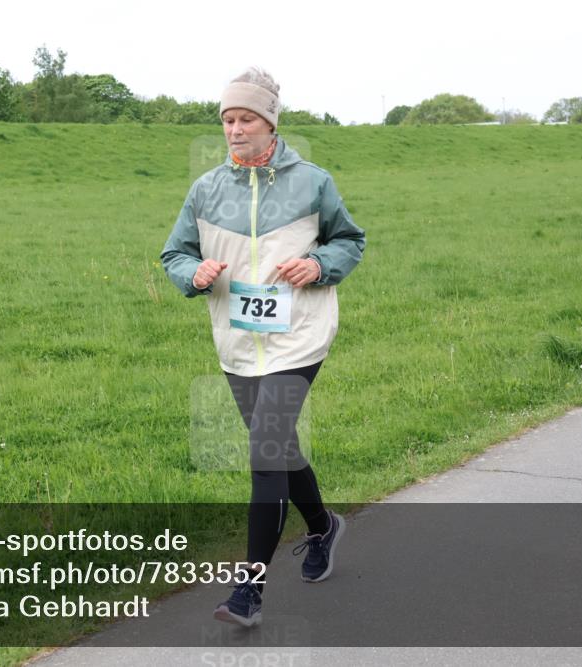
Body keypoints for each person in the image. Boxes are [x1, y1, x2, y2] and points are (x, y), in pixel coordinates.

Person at [160, 67, 366, 627]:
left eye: (245, 118)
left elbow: (349, 239)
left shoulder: (312, 182)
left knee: (265, 451)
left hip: (299, 336)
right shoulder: (205, 189)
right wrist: (194, 272)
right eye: (227, 119)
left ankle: (248, 592)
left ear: (270, 122)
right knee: (277, 446)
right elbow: (173, 254)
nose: (234, 129)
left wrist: (319, 263)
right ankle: (322, 526)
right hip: (237, 341)